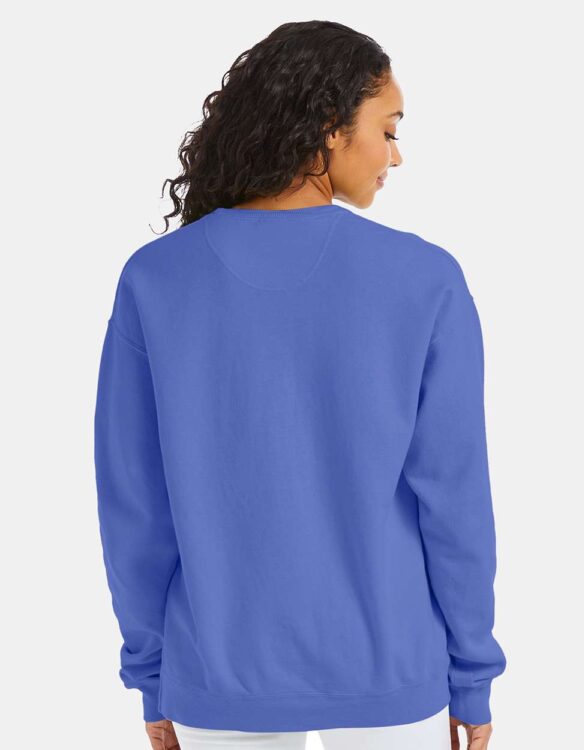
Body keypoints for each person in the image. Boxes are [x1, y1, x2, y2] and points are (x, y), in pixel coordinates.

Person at [93, 20, 507, 750]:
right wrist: (471, 674)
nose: (396, 154)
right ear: (328, 128)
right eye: (388, 129)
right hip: (393, 673)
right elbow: (455, 499)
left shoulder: (156, 279)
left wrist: (153, 674)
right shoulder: (425, 279)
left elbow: (134, 506)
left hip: (217, 678)